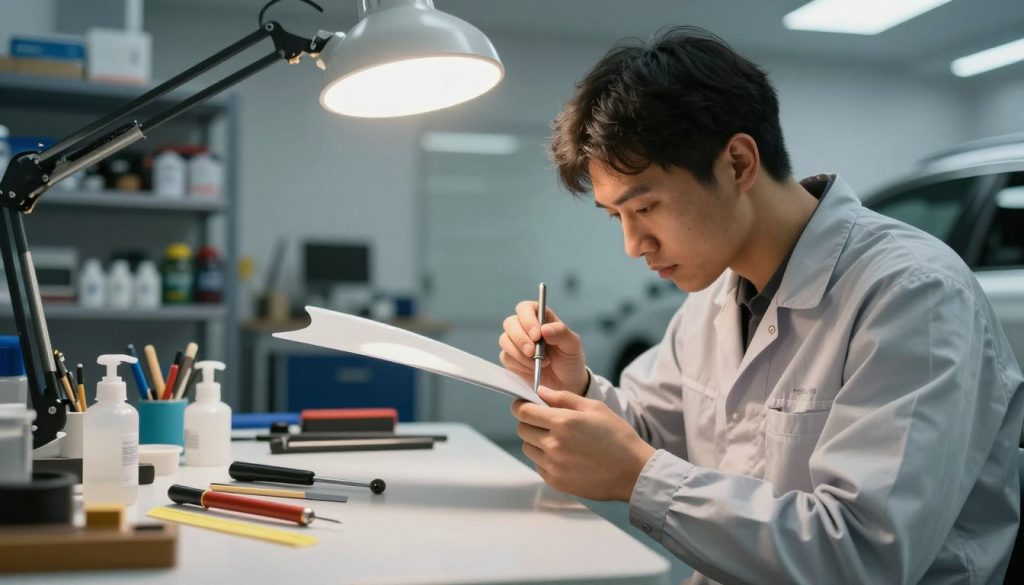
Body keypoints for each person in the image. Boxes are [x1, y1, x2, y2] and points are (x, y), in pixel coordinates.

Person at [498, 26, 1024, 585]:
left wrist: (639, 478)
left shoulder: (913, 295)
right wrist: (577, 389)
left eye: (645, 206)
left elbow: (865, 557)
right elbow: (652, 432)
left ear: (739, 164)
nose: (633, 245)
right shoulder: (715, 299)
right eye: (616, 217)